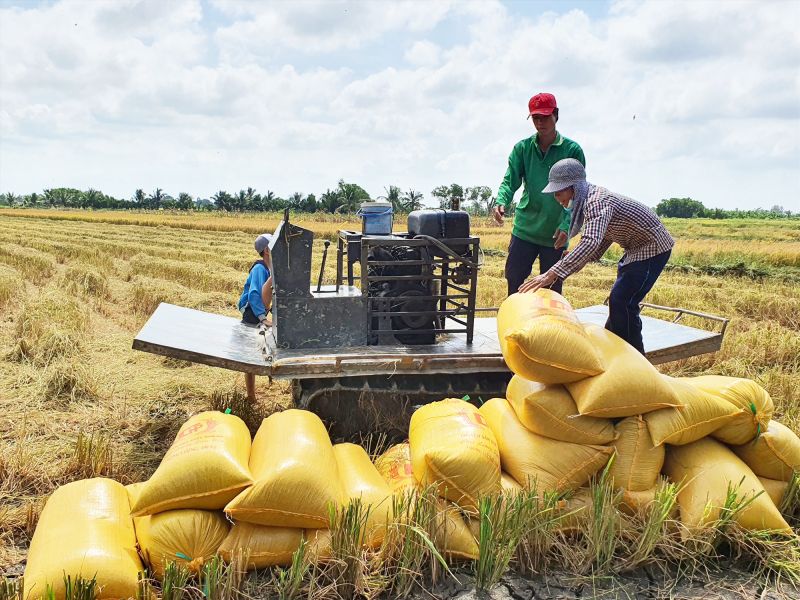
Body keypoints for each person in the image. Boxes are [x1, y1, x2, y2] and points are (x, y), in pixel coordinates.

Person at [519, 158, 674, 354]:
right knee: (619, 301)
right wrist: (583, 257)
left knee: (623, 302)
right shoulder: (589, 200)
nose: (557, 198)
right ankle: (613, 350)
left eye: (558, 192)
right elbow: (603, 238)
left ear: (573, 187)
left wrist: (551, 274)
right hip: (635, 249)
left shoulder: (596, 202)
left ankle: (636, 360)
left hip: (652, 247)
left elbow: (591, 241)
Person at [494, 92, 586, 296]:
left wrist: (566, 225)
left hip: (556, 233)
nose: (540, 122)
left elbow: (578, 194)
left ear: (556, 115)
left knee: (552, 285)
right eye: (536, 118)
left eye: (545, 117)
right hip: (525, 228)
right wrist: (501, 201)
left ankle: (548, 327)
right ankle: (517, 324)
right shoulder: (522, 149)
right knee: (514, 278)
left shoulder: (572, 150)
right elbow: (510, 181)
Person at [238, 233, 274, 400]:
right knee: (249, 354)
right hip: (252, 314)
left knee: (264, 345)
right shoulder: (260, 268)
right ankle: (251, 395)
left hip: (261, 313)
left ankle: (268, 381)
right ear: (267, 250)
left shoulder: (269, 269)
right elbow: (254, 294)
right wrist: (262, 317)